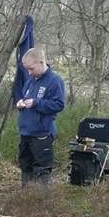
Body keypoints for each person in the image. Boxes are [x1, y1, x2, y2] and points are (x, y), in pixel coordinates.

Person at [15, 47, 65, 185]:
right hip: (26, 132)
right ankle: (26, 199)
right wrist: (21, 103)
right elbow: (26, 98)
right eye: (27, 69)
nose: (29, 73)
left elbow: (59, 105)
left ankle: (41, 201)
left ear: (41, 62)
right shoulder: (30, 80)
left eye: (31, 68)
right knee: (25, 166)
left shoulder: (55, 81)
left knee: (41, 170)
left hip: (42, 133)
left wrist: (37, 103)